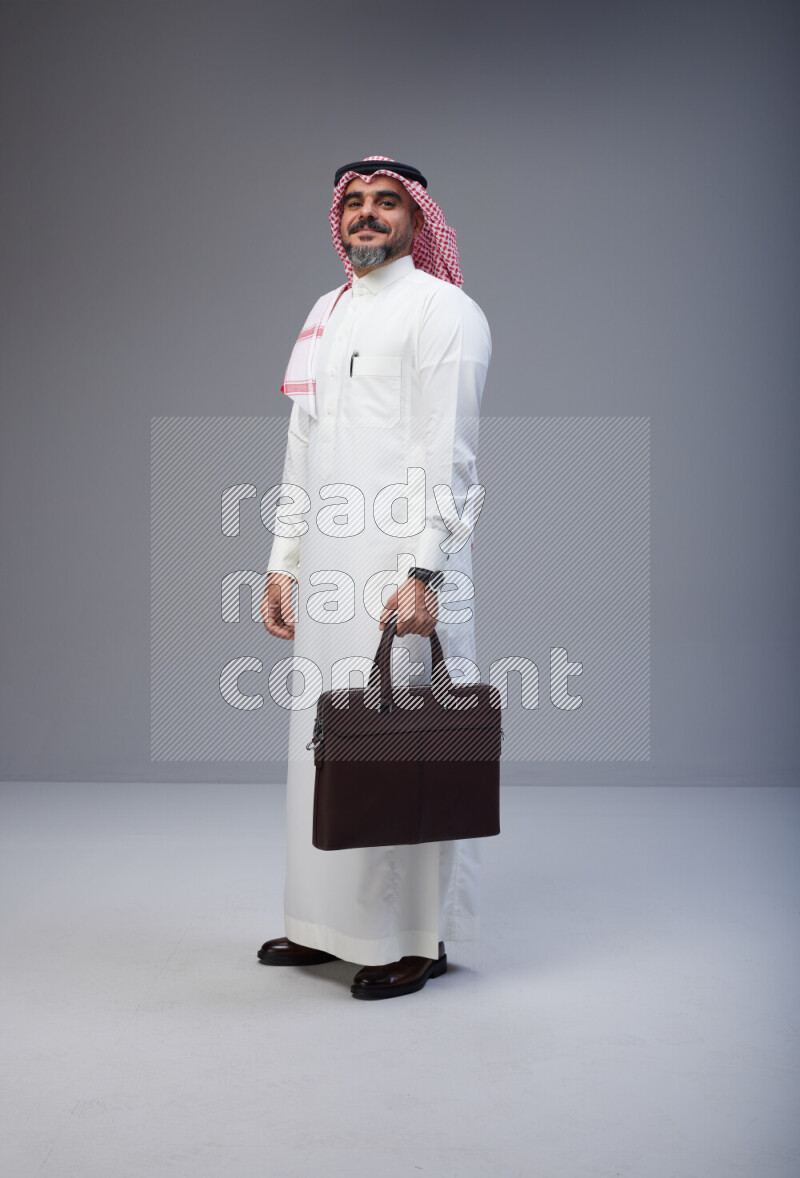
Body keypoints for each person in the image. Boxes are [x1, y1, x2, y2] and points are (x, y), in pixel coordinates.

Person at [258, 155, 492, 999]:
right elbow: (302, 444)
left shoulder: (446, 312)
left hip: (404, 569)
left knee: (408, 743)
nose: (365, 215)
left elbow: (452, 456)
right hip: (327, 567)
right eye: (352, 203)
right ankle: (327, 926)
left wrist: (425, 569)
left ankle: (413, 938)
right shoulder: (326, 311)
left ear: (417, 219)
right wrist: (284, 561)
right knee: (327, 742)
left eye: (385, 203)